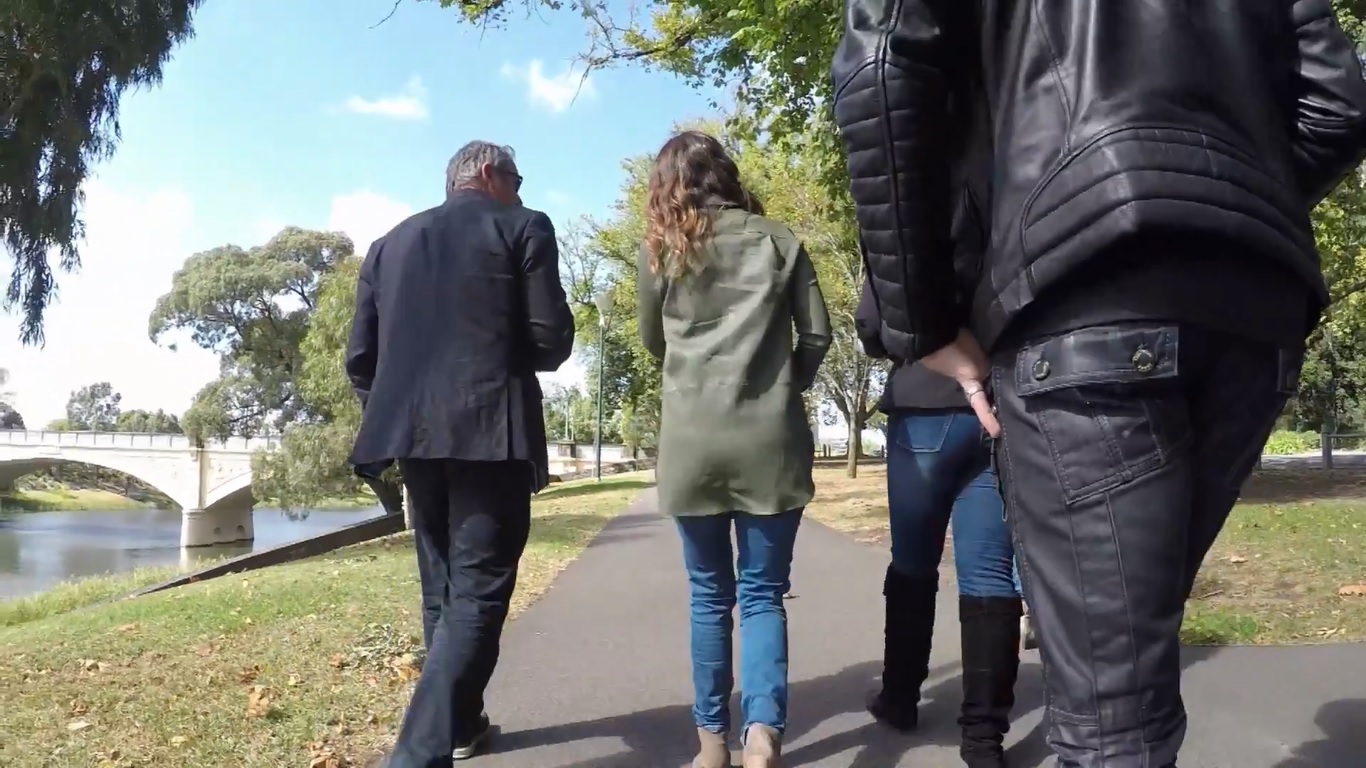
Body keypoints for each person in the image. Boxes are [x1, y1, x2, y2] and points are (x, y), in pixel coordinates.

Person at [832, 2, 1366, 766]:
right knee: (1124, 660)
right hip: (1254, 313)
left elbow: (881, 66)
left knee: (1114, 717)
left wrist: (921, 319)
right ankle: (989, 732)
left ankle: (939, 707)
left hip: (1084, 311)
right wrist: (1214, 202)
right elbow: (1339, 104)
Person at [347, 140, 575, 766]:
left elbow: (361, 360)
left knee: (442, 587)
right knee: (477, 591)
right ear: (490, 174)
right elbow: (551, 339)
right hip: (490, 432)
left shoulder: (389, 244)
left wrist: (403, 414)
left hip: (414, 439)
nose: (521, 192)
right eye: (517, 179)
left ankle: (461, 724)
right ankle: (418, 754)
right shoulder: (524, 227)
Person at [636, 130, 831, 768]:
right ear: (726, 174)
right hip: (770, 438)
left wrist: (693, 374)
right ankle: (763, 734)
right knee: (763, 593)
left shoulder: (660, 250)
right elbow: (818, 335)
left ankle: (711, 743)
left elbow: (653, 340)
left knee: (708, 594)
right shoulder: (778, 239)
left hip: (691, 439)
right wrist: (785, 382)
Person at [855, 277, 1022, 768]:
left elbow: (873, 322)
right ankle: (984, 740)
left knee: (912, 565)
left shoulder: (913, 236)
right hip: (998, 407)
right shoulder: (1004, 230)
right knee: (990, 575)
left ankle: (900, 698)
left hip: (924, 404)